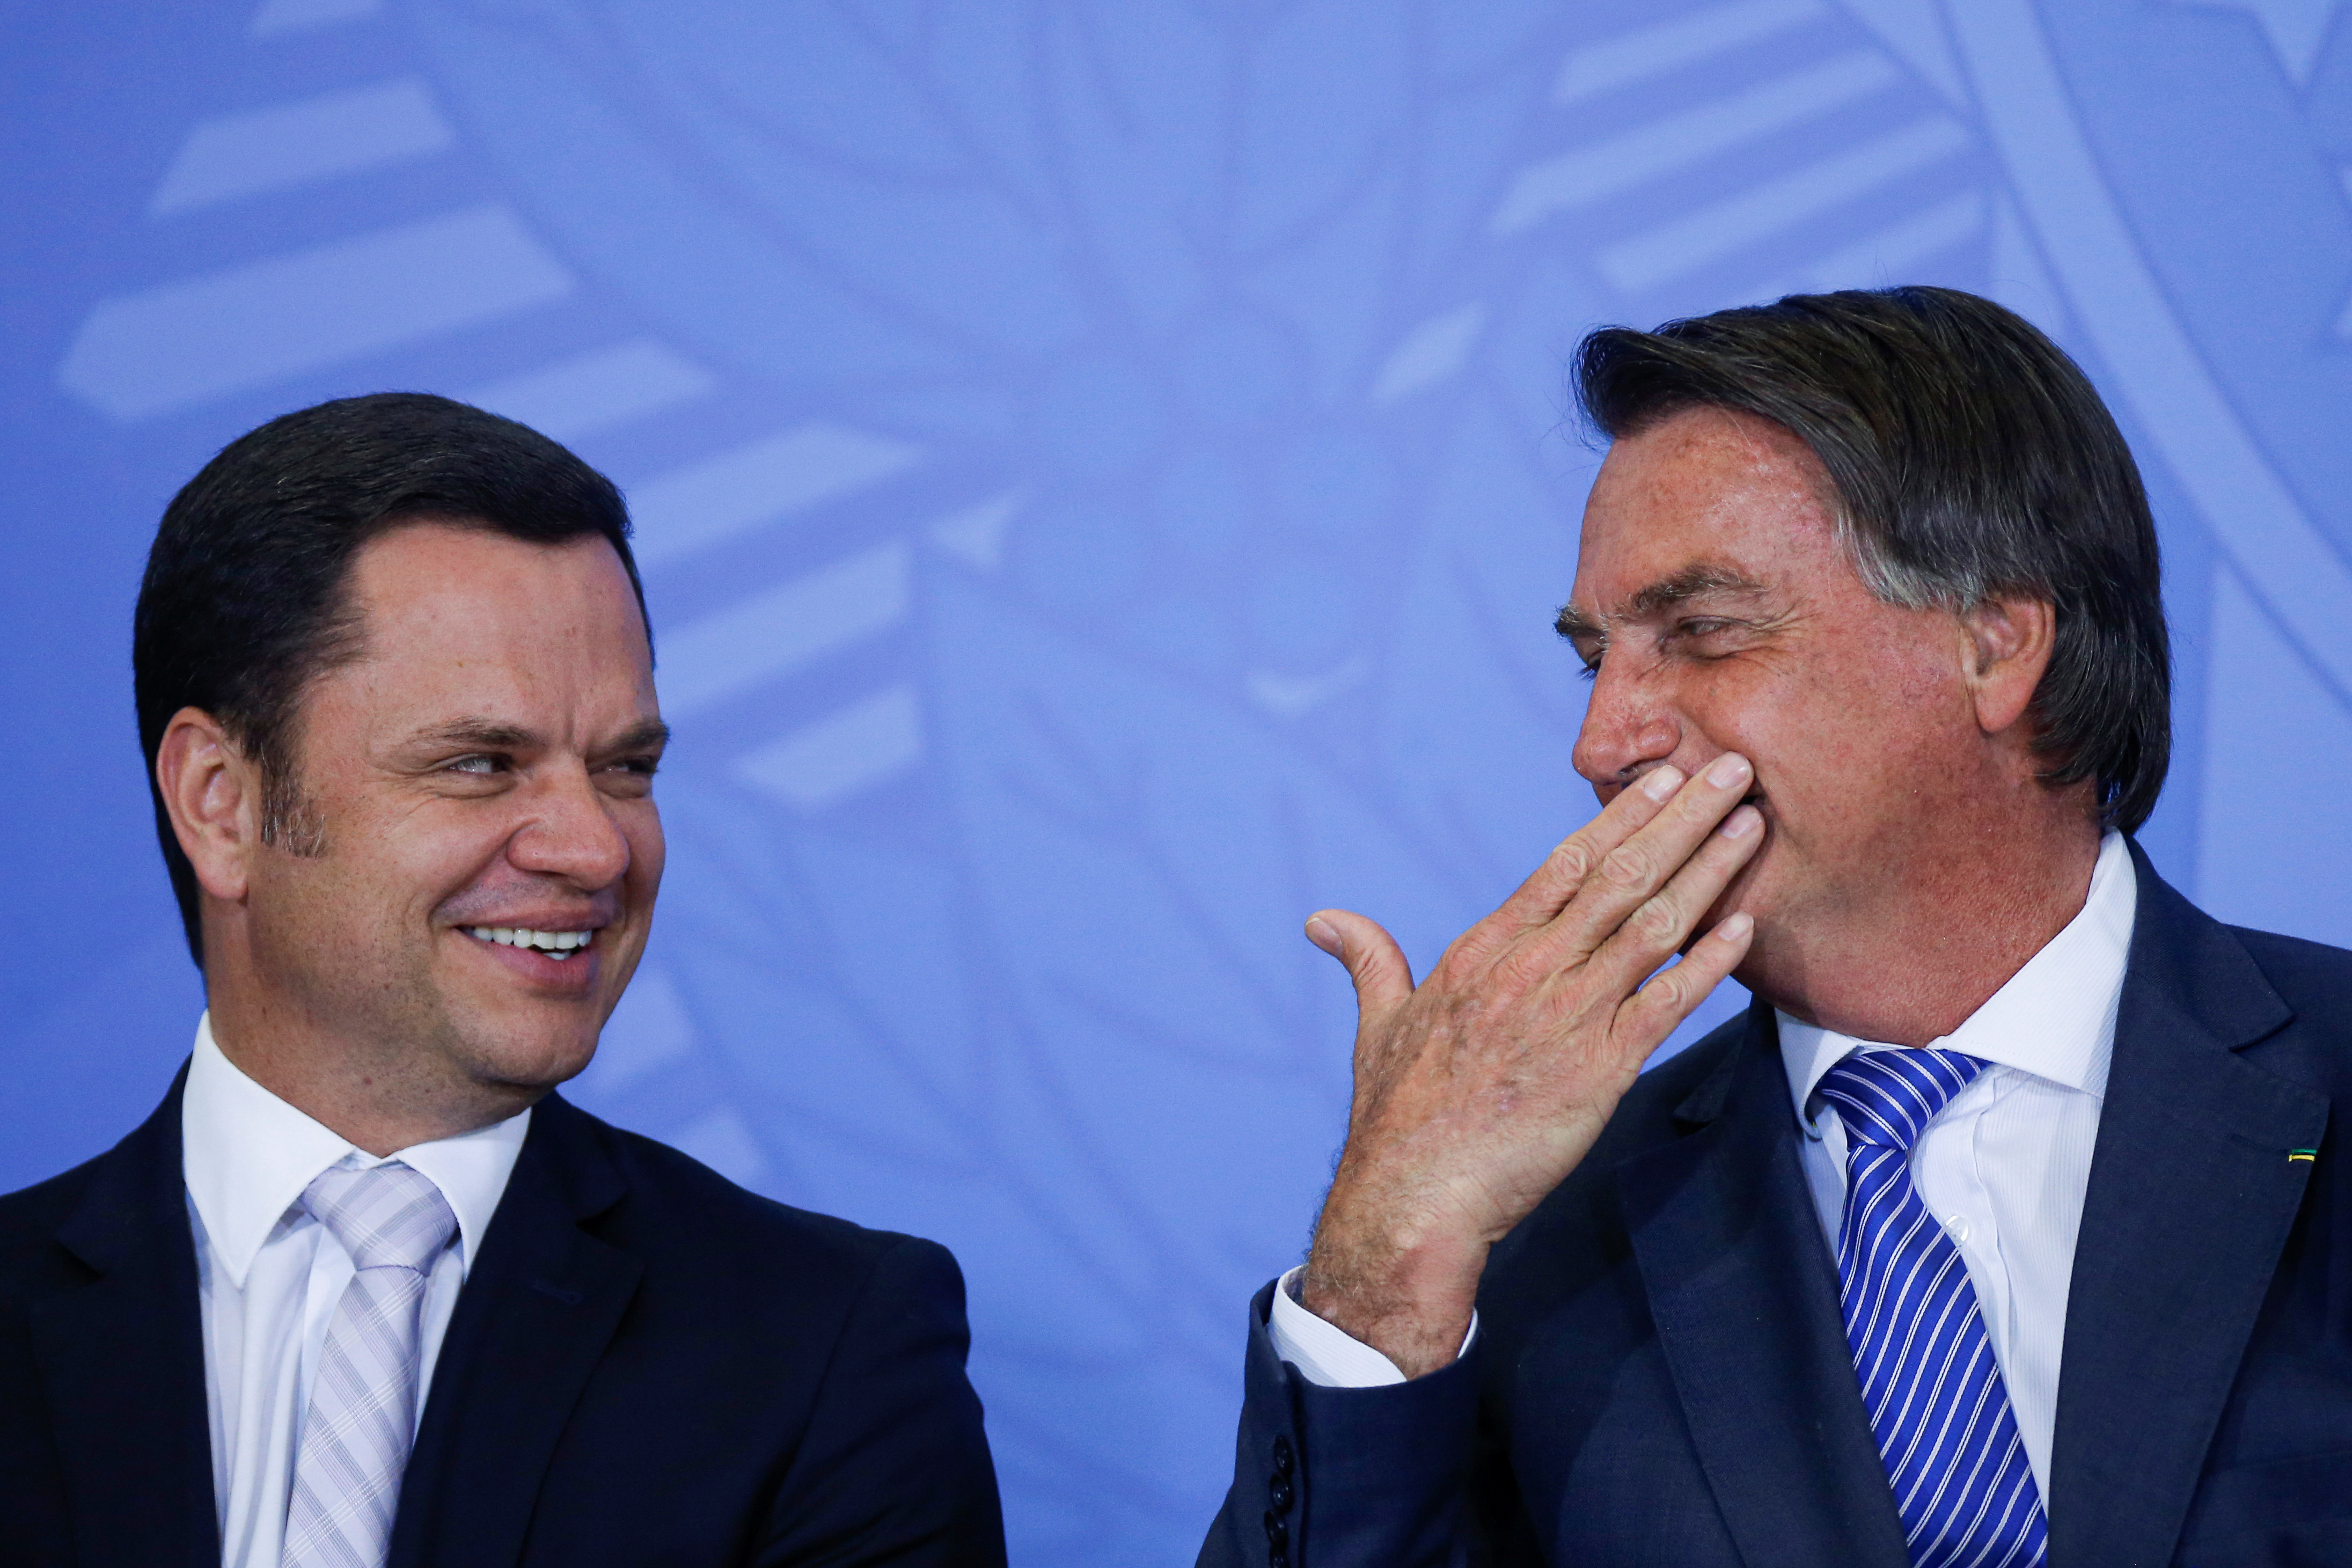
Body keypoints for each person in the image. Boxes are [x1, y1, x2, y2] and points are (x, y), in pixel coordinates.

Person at [1199, 287, 2352, 1567]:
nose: (1602, 742)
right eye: (1594, 659)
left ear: (1995, 646)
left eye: (1699, 633)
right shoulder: (1526, 1246)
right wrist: (1384, 1263)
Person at [0, 395, 1005, 1566]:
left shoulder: (826, 1348)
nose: (594, 848)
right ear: (220, 801)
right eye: (479, 764)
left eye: (626, 768)